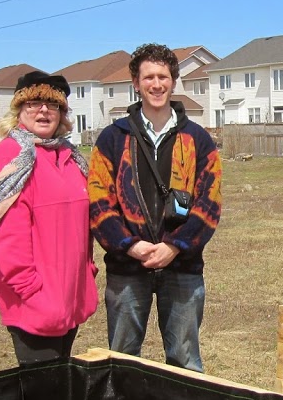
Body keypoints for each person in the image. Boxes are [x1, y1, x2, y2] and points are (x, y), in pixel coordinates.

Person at [88, 43, 222, 372]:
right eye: (148, 77)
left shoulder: (197, 139)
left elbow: (210, 202)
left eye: (163, 76)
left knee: (185, 363)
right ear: (136, 83)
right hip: (127, 270)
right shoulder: (112, 138)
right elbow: (98, 201)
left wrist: (174, 247)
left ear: (174, 81)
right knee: (120, 361)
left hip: (182, 269)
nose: (156, 84)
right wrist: (130, 246)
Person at [0, 71, 98, 365]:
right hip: (35, 304)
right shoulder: (13, 156)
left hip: (68, 297)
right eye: (34, 103)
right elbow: (6, 239)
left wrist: (86, 272)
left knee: (59, 390)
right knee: (42, 396)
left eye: (52, 105)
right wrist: (33, 293)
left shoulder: (69, 156)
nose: (43, 110)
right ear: (19, 110)